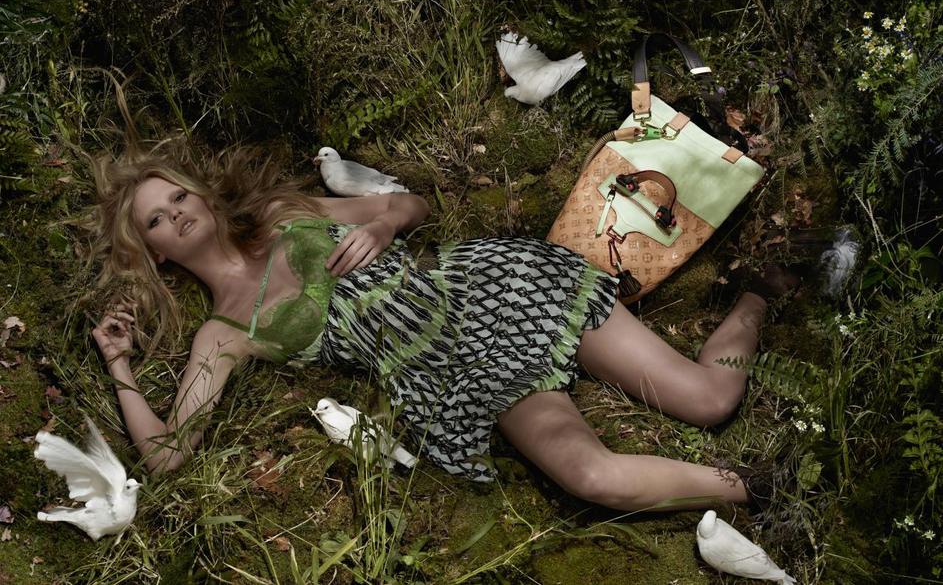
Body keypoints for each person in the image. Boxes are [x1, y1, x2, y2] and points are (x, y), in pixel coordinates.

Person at [86, 126, 795, 514]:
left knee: (710, 399)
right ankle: (756, 487)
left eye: (178, 197)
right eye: (156, 219)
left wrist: (383, 225)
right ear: (154, 250)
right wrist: (119, 366)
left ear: (201, 196)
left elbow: (409, 205)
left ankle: (758, 295)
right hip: (455, 369)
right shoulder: (224, 332)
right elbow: (169, 455)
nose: (177, 213)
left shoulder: (281, 216)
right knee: (591, 476)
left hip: (497, 288)